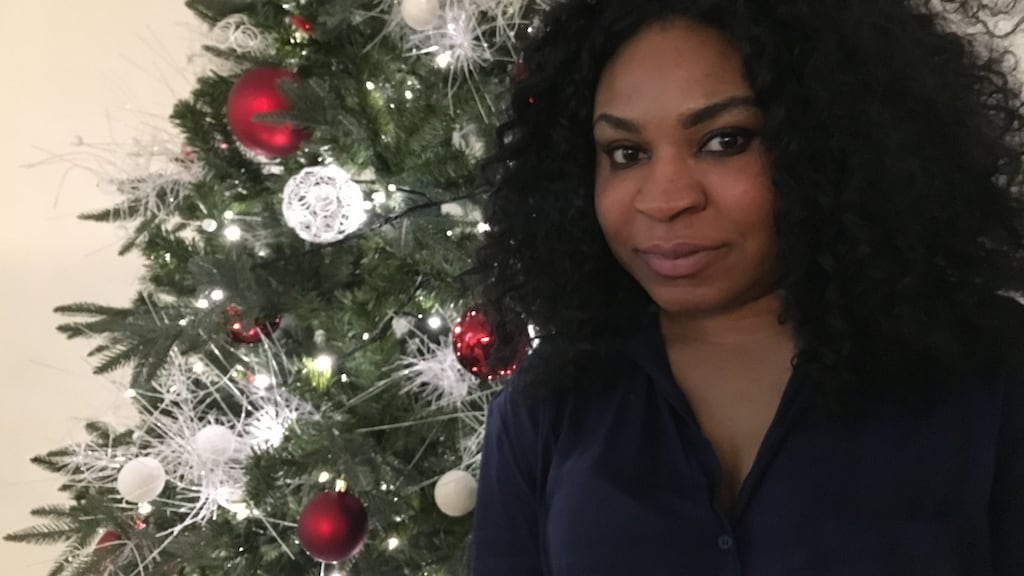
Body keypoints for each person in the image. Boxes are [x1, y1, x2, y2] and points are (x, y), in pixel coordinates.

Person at [470, 0, 1024, 574]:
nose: (665, 200)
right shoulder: (546, 408)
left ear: (831, 140)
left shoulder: (992, 370)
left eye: (725, 141)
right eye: (626, 153)